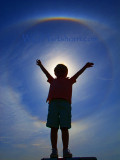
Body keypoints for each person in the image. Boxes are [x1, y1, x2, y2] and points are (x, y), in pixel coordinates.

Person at [36, 59, 94, 158]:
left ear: (66, 72)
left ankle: (65, 150)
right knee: (53, 127)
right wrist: (41, 65)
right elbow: (46, 73)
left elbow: (77, 74)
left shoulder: (69, 81)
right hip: (53, 104)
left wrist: (85, 66)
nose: (60, 72)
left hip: (65, 105)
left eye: (62, 71)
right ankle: (54, 150)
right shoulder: (52, 80)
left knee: (64, 127)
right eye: (57, 71)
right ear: (55, 72)